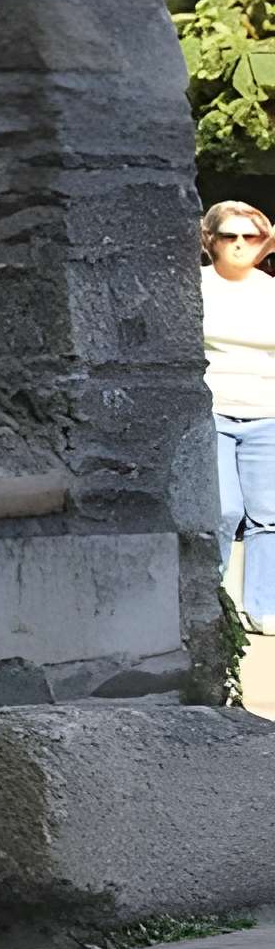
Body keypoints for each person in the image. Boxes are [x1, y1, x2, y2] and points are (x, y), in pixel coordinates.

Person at [201, 199, 275, 631]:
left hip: (268, 414)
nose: (240, 244)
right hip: (213, 412)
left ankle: (262, 607)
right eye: (230, 235)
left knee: (269, 517)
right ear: (211, 240)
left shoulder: (270, 291)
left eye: (251, 236)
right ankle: (212, 609)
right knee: (223, 512)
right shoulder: (193, 286)